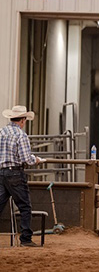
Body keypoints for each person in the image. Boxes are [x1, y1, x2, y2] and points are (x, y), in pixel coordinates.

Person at [0, 105, 44, 247]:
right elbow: (26, 158)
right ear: (23, 120)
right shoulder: (21, 135)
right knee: (25, 206)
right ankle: (25, 238)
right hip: (15, 173)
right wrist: (36, 160)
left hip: (1, 172)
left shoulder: (1, 132)